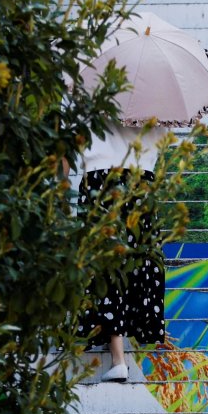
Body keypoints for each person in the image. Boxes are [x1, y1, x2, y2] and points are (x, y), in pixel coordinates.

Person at [79, 123, 169, 382]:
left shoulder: (93, 94)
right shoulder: (156, 101)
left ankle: (117, 354)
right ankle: (121, 345)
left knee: (105, 263)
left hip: (100, 180)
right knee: (138, 262)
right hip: (141, 181)